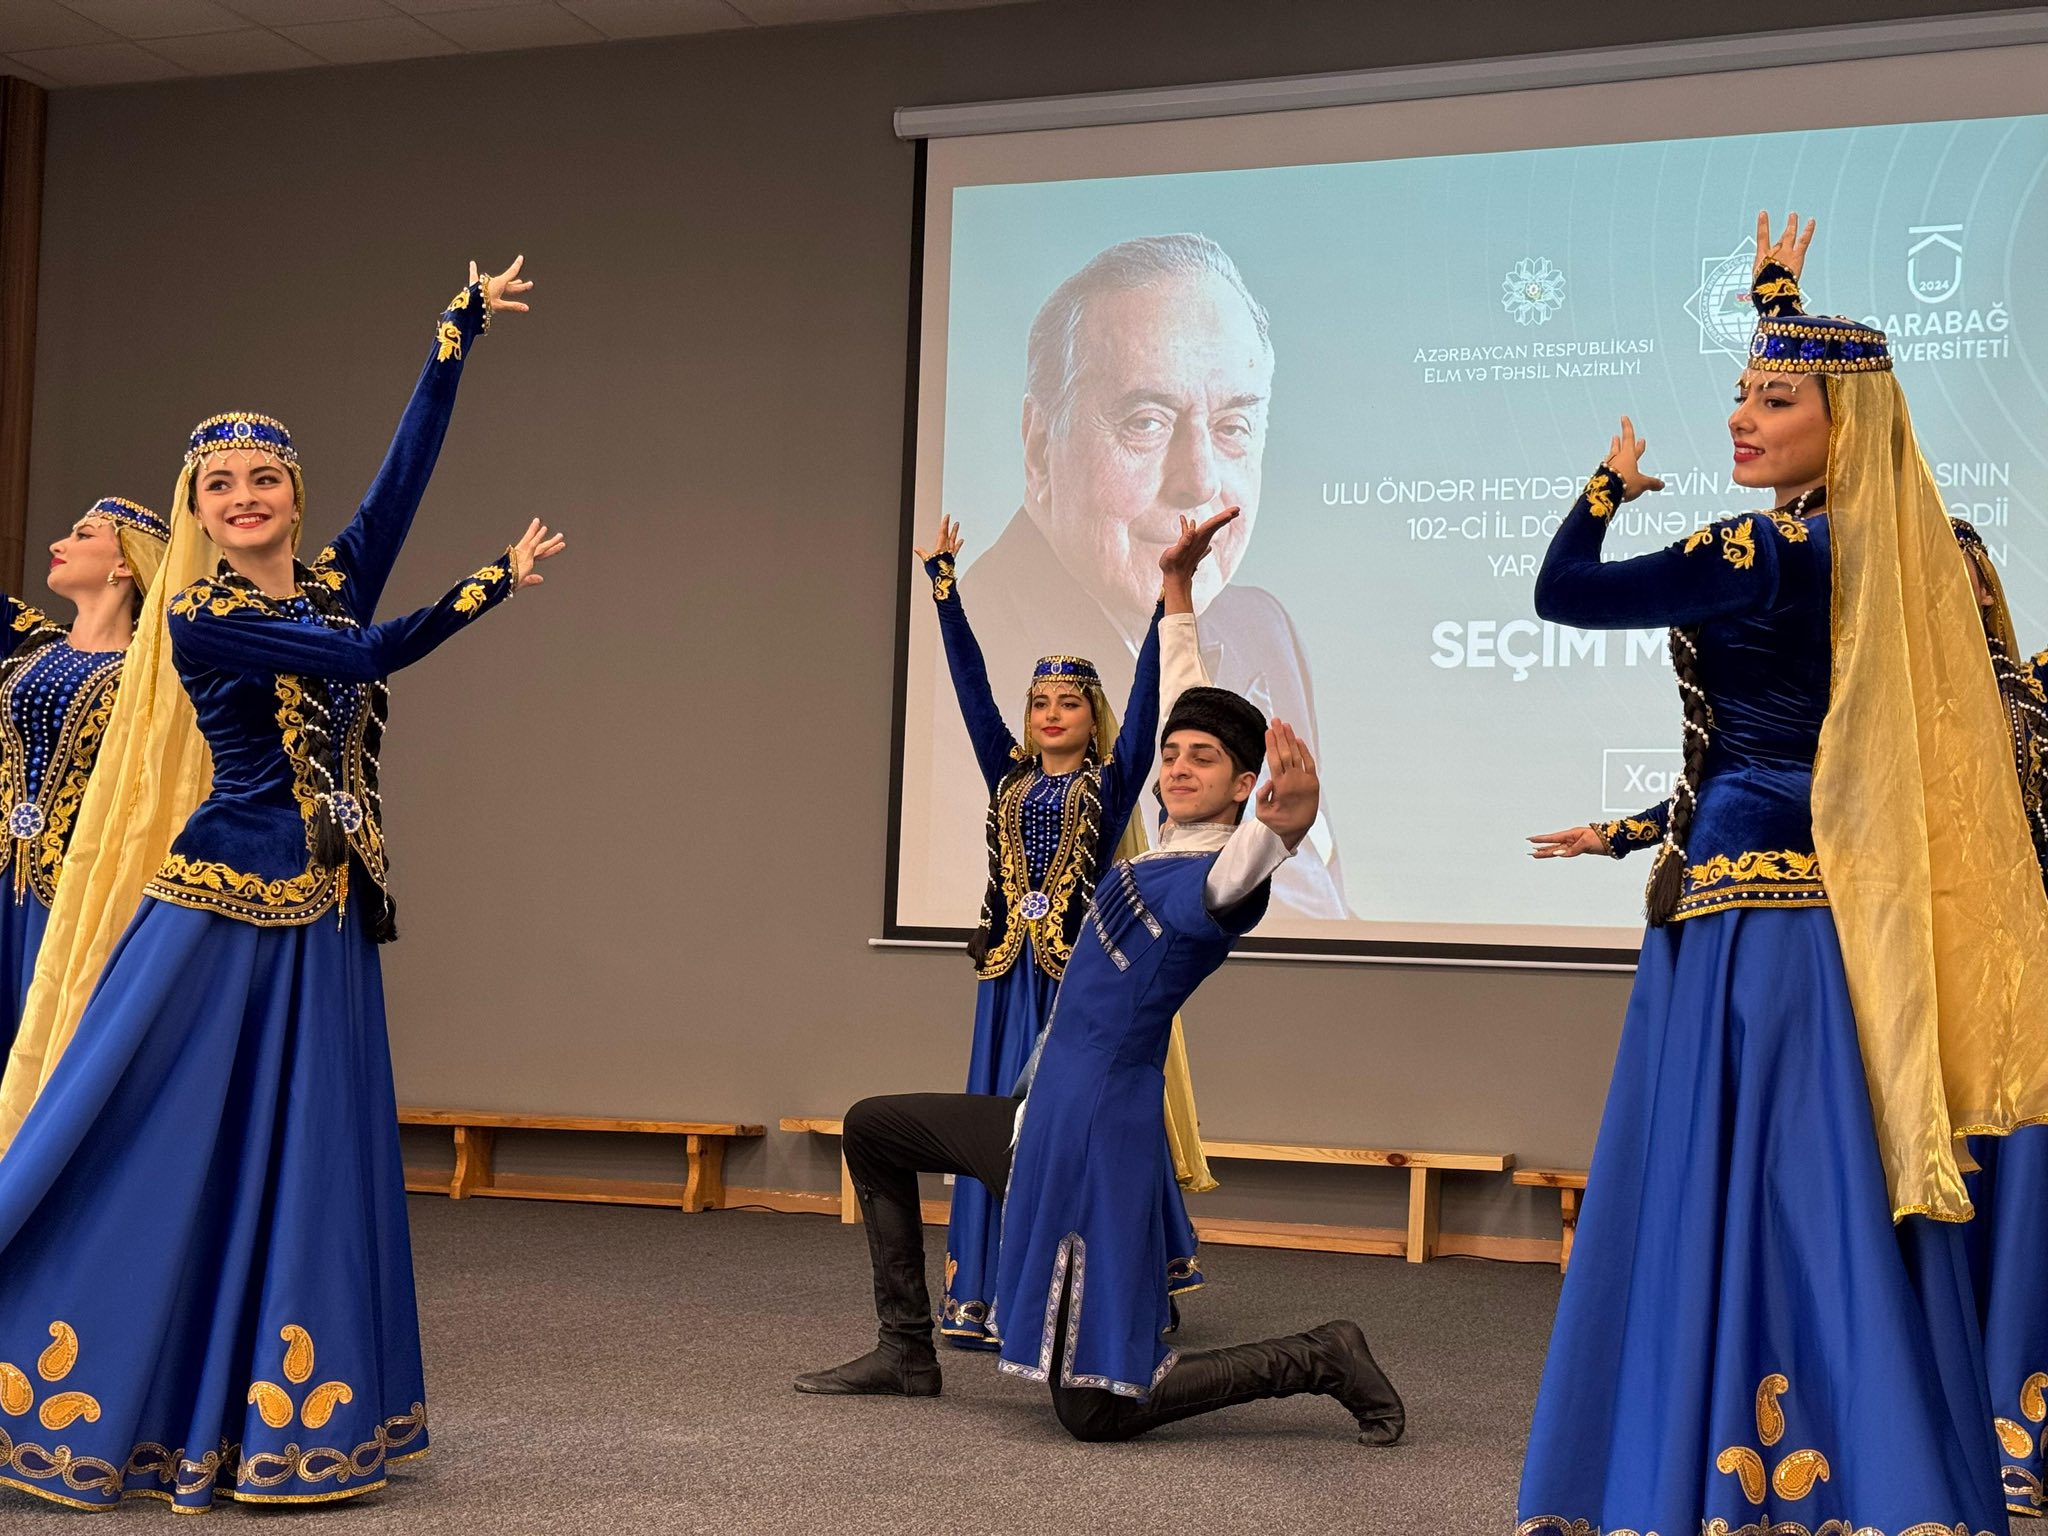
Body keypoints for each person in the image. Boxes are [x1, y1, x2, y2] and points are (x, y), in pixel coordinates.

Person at [0, 258, 566, 1514]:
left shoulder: (322, 579)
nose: (243, 497)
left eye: (264, 481)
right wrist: (487, 587)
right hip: (221, 909)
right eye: (220, 485)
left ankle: (255, 1419)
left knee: (301, 1162)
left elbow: (396, 490)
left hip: (324, 916)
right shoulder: (201, 615)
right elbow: (366, 653)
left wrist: (453, 342)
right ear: (194, 507)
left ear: (291, 498)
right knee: (149, 1138)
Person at [1516, 214, 2048, 1536]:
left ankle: (1701, 1467)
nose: (1742, 418)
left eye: (1773, 398)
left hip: (1743, 928)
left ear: (1841, 421)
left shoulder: (1749, 556)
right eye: (1739, 394)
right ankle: (1870, 1475)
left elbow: (1562, 593)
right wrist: (1779, 297)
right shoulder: (1893, 565)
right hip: (1833, 923)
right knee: (1823, 1197)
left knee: (1722, 1187)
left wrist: (1603, 487)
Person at [797, 545, 1403, 1445]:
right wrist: (1177, 594)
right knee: (874, 1126)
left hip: (1088, 1139)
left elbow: (1245, 861)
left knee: (1098, 1412)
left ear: (1245, 789)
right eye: (1170, 756)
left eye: (1204, 762)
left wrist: (1285, 831)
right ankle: (907, 1349)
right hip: (1035, 1118)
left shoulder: (1215, 882)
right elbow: (1186, 694)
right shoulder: (1162, 841)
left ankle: (1321, 1354)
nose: (1177, 768)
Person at [929, 233, 1346, 920]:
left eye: (1234, 426)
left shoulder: (1260, 627)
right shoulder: (960, 666)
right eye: (1147, 421)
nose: (1200, 480)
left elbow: (1322, 905)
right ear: (1040, 447)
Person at [914, 510, 1230, 1348]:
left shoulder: (1114, 781)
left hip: (1080, 980)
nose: (1052, 715)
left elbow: (1152, 687)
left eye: (1070, 704)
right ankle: (989, 1291)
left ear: (1094, 717)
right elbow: (969, 689)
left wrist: (1173, 599)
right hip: (1007, 977)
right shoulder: (1007, 772)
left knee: (1083, 1123)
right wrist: (944, 587)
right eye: (1041, 704)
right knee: (997, 1124)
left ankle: (1119, 1279)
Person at [0, 498, 168, 1050]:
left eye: (82, 535)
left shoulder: (156, 682)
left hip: (75, 888)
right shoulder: (30, 646)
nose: (58, 545)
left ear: (125, 564)